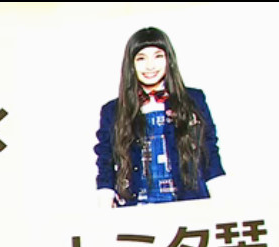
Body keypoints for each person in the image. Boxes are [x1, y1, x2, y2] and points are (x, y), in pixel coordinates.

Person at [94, 27, 225, 207]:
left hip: (188, 202)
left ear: (169, 59)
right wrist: (105, 199)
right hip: (136, 205)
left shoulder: (193, 100)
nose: (150, 66)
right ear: (131, 64)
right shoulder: (113, 110)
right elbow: (105, 159)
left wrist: (221, 198)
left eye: (158, 56)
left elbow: (209, 149)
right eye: (141, 58)